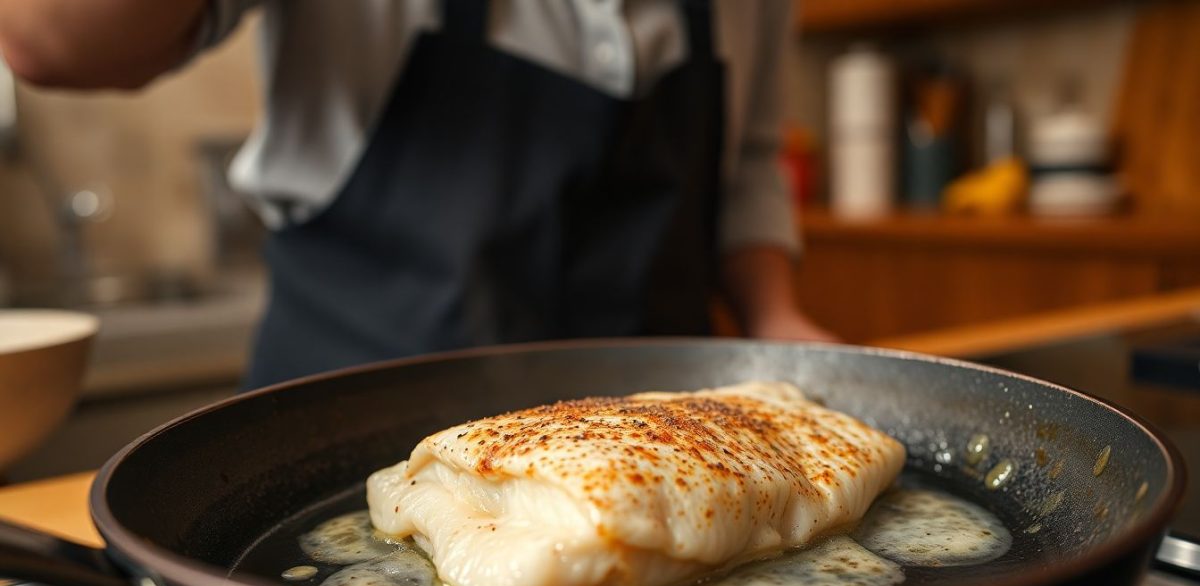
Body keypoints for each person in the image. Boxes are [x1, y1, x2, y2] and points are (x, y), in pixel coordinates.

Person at [0, 0, 835, 388]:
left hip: (663, 439)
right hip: (344, 433)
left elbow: (748, 160)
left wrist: (775, 317)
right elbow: (49, 36)